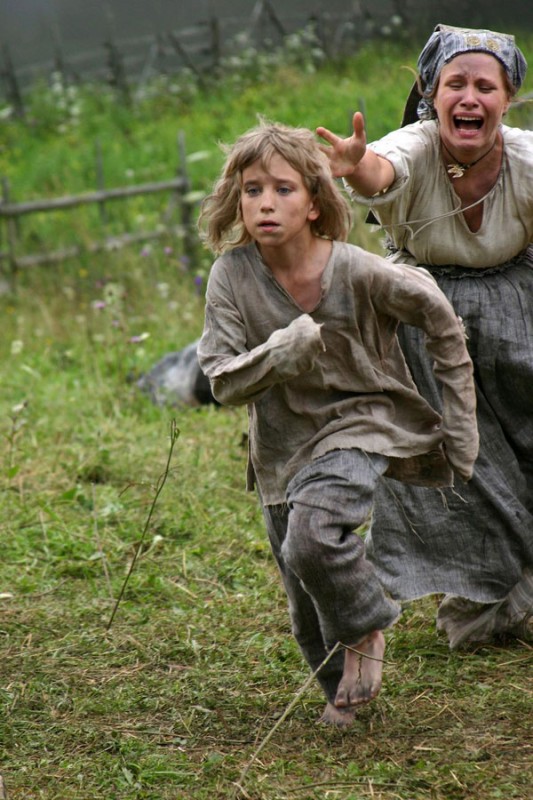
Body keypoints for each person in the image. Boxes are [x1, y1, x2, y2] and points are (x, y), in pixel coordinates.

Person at [196, 119, 478, 726]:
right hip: (281, 448)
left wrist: (461, 428)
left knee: (313, 536)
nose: (265, 203)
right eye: (252, 190)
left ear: (315, 203)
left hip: (361, 422)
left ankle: (367, 625)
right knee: (303, 596)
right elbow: (221, 380)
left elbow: (439, 317)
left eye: (283, 189)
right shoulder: (231, 276)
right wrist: (282, 351)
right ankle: (341, 695)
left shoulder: (357, 269)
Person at [316, 23, 533, 648]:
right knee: (464, 463)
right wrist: (356, 167)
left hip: (519, 304)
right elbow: (382, 172)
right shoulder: (413, 144)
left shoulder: (524, 158)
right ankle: (483, 602)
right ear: (432, 94)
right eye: (455, 83)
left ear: (508, 99)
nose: (470, 97)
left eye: (486, 86)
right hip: (427, 314)